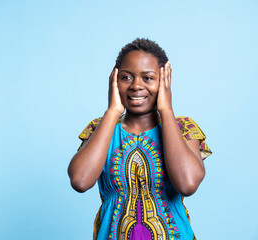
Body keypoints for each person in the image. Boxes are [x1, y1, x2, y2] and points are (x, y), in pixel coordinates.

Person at [68, 38, 212, 240]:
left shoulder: (183, 128)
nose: (136, 85)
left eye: (148, 78)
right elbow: (80, 181)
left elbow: (187, 184)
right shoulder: (99, 129)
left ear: (164, 81)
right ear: (114, 81)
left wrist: (167, 110)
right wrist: (112, 111)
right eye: (126, 77)